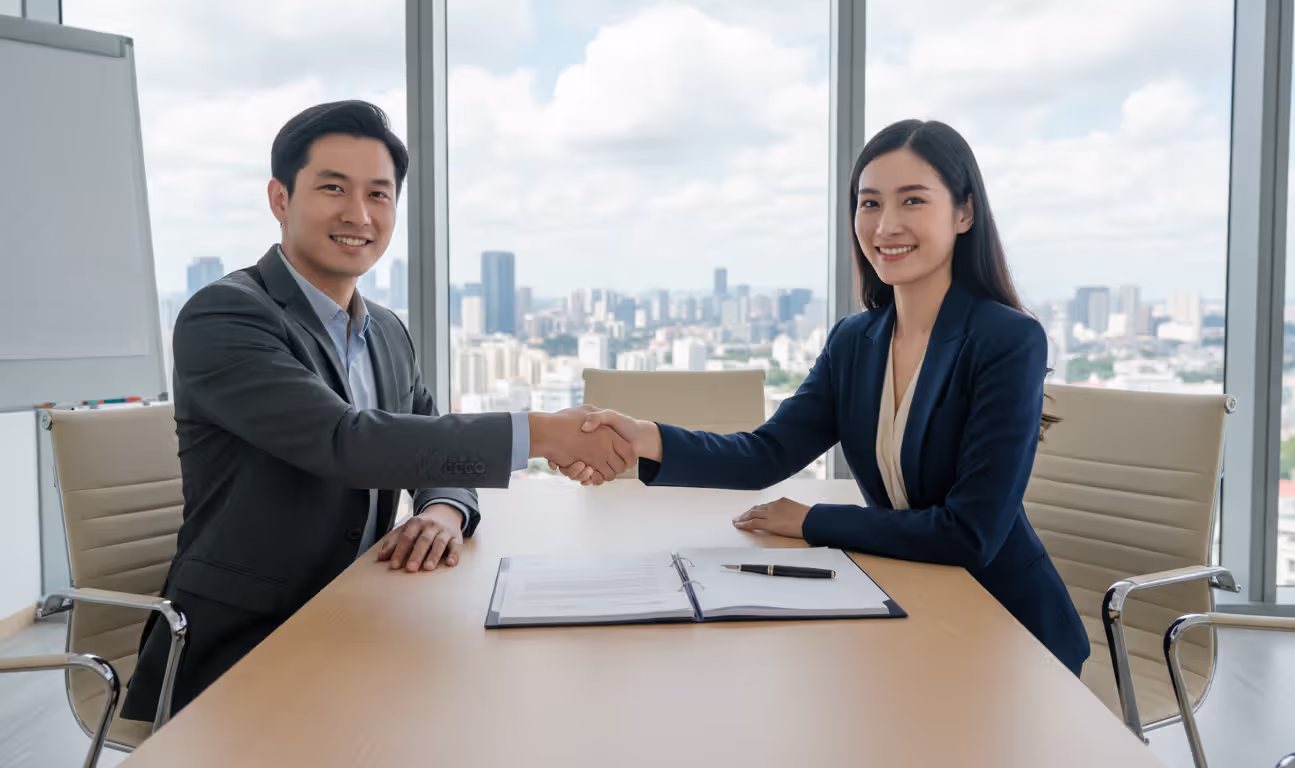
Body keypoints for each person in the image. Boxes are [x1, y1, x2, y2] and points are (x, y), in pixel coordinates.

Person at [122, 100, 634, 720]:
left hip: (360, 616)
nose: (359, 215)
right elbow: (348, 442)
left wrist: (444, 509)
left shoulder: (387, 330)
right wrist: (544, 434)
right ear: (280, 199)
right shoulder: (225, 316)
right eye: (332, 188)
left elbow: (426, 440)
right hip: (246, 644)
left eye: (379, 195)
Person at [556, 119, 1090, 676]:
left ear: (964, 214)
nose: (886, 225)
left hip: (1007, 628)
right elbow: (768, 452)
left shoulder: (1006, 339)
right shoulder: (855, 340)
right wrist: (647, 438)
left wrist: (812, 520)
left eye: (912, 201)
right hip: (908, 598)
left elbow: (969, 534)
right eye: (869, 203)